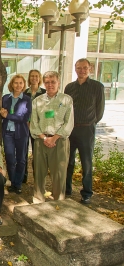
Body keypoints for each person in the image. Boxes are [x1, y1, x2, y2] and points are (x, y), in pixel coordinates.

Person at [65, 58, 105, 204]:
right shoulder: (69, 87)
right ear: (75, 69)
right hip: (70, 130)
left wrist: (91, 123)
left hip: (87, 129)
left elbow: (99, 111)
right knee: (68, 162)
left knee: (86, 163)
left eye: (84, 68)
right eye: (79, 68)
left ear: (90, 69)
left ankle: (86, 193)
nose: (81, 70)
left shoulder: (97, 87)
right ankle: (66, 189)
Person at [30, 71, 74, 203]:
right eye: (47, 82)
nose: (50, 85)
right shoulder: (37, 101)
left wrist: (54, 138)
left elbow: (69, 122)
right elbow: (33, 122)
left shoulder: (66, 99)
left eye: (53, 82)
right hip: (40, 140)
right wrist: (44, 138)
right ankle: (38, 198)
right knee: (39, 171)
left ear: (58, 83)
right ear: (44, 83)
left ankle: (58, 199)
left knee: (59, 173)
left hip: (59, 141)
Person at [0, 74, 32, 194]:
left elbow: (25, 117)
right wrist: (2, 112)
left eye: (21, 83)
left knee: (21, 159)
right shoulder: (5, 98)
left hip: (21, 132)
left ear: (24, 85)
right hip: (8, 132)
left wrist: (7, 115)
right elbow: (1, 113)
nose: (18, 85)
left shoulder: (27, 99)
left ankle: (18, 184)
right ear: (11, 84)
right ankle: (12, 182)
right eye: (16, 83)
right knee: (9, 158)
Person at [23, 69, 46, 183]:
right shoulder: (24, 93)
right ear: (29, 78)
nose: (34, 78)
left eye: (36, 76)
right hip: (25, 126)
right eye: (32, 76)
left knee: (37, 153)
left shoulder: (44, 93)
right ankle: (24, 177)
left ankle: (37, 177)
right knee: (23, 152)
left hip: (38, 127)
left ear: (39, 78)